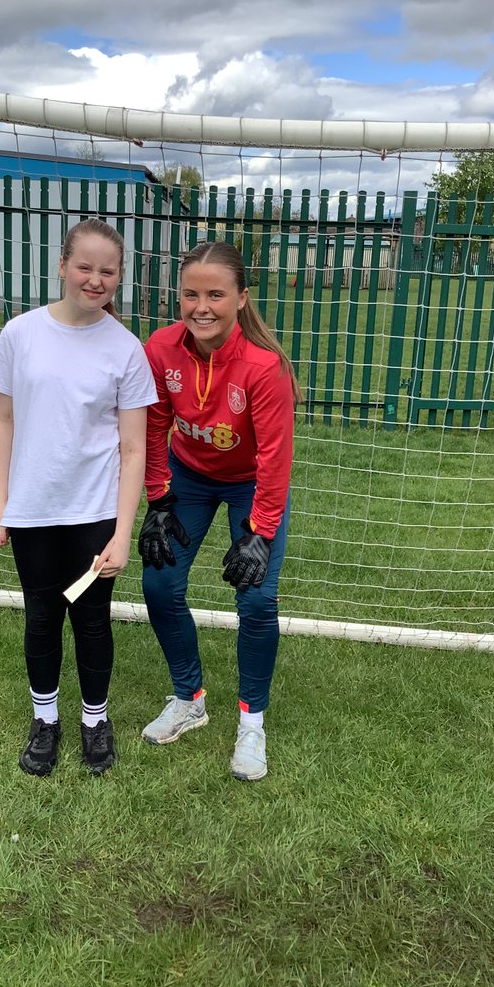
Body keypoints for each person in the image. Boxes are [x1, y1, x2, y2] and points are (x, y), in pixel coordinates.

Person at [0, 219, 157, 777]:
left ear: (119, 278)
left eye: (108, 271)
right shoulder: (21, 333)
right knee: (41, 616)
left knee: (92, 620)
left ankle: (94, 721)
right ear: (62, 266)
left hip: (94, 513)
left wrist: (122, 531)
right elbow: (2, 420)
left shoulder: (126, 349)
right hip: (33, 509)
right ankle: (46, 719)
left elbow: (134, 450)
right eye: (85, 267)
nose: (95, 279)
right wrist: (1, 499)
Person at [138, 241, 299, 781]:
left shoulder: (264, 367)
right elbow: (154, 426)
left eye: (215, 294)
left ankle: (252, 722)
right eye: (190, 294)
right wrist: (159, 497)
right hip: (190, 477)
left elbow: (276, 458)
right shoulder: (160, 348)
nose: (201, 306)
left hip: (252, 483)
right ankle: (190, 698)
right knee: (159, 586)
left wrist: (261, 530)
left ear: (241, 299)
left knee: (256, 600)